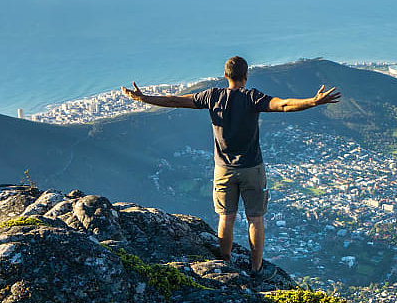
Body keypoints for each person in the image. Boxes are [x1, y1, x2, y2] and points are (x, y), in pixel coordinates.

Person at [121, 56, 340, 282]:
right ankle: (256, 269)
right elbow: (283, 105)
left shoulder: (212, 96)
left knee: (226, 217)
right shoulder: (252, 97)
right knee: (256, 218)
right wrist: (313, 101)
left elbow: (176, 100)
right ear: (246, 76)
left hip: (223, 168)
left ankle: (225, 263)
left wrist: (144, 98)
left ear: (225, 75)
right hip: (252, 168)